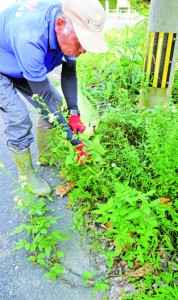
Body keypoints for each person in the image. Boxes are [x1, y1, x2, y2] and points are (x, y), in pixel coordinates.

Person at [0, 0, 107, 196]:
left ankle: (46, 155)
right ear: (59, 25)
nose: (82, 50)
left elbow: (68, 73)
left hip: (21, 63)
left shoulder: (71, 20)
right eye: (80, 43)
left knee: (57, 103)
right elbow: (44, 100)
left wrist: (74, 112)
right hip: (4, 63)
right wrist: (75, 142)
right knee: (18, 118)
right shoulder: (30, 36)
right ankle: (26, 174)